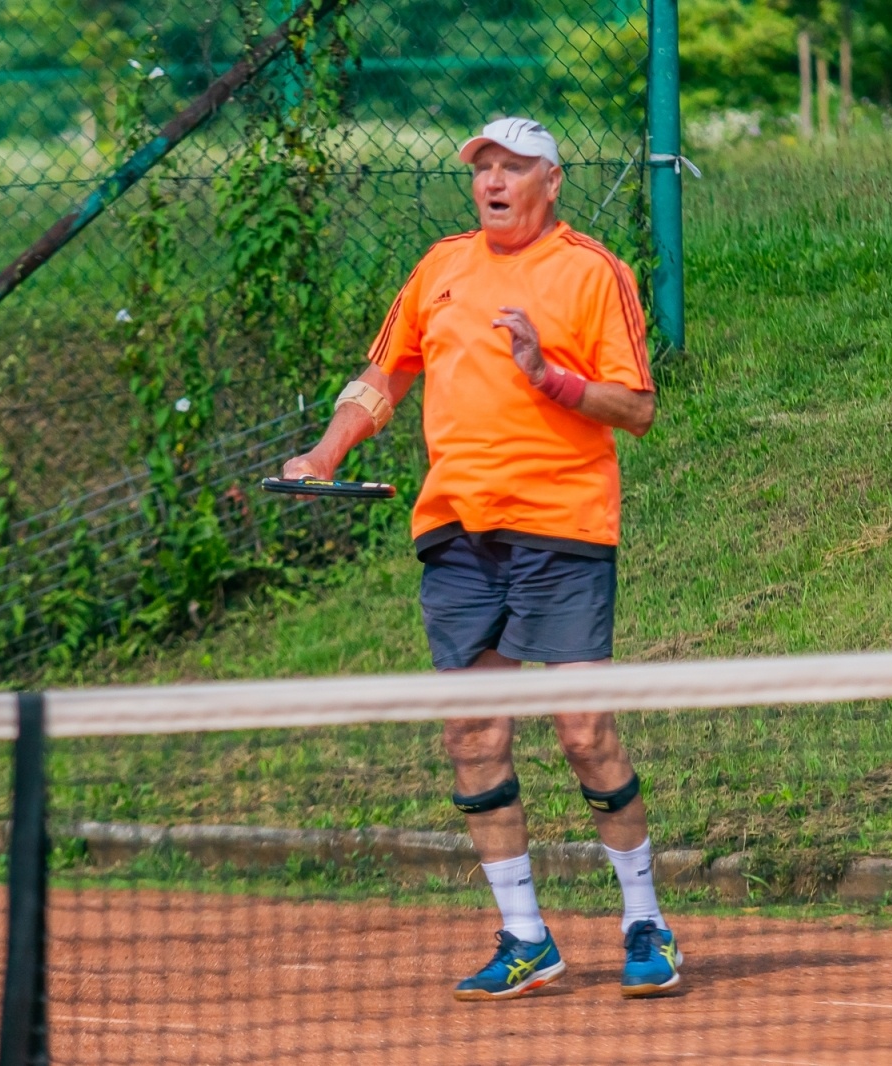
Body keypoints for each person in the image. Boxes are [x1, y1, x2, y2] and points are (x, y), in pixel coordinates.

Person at [281, 117, 680, 1001]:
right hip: (456, 533)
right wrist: (324, 454)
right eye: (482, 168)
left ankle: (644, 919)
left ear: (552, 181)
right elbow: (382, 375)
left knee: (582, 729)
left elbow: (639, 409)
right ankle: (526, 936)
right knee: (472, 732)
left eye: (512, 168)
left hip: (564, 527)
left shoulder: (592, 272)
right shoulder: (442, 267)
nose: (493, 182)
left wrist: (551, 378)